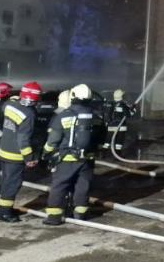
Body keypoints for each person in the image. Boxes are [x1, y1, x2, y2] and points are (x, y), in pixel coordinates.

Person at [41, 84, 106, 225]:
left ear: (73, 97)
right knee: (83, 186)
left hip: (67, 158)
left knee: (59, 185)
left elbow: (53, 140)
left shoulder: (64, 115)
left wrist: (46, 152)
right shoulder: (95, 116)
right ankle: (80, 214)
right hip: (88, 159)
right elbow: (101, 139)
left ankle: (54, 217)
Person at [0, 81, 42, 222]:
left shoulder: (10, 105)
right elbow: (23, 139)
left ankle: (4, 208)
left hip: (4, 151)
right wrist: (29, 158)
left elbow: (4, 107)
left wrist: (14, 99)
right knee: (13, 183)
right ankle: (4, 213)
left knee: (6, 182)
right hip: (15, 155)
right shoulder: (29, 114)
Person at [102, 89, 134, 153]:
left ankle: (103, 153)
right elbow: (128, 115)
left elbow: (106, 113)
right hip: (121, 126)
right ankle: (118, 153)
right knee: (119, 141)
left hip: (111, 125)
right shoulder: (123, 105)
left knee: (108, 140)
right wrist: (133, 110)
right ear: (122, 96)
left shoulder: (110, 103)